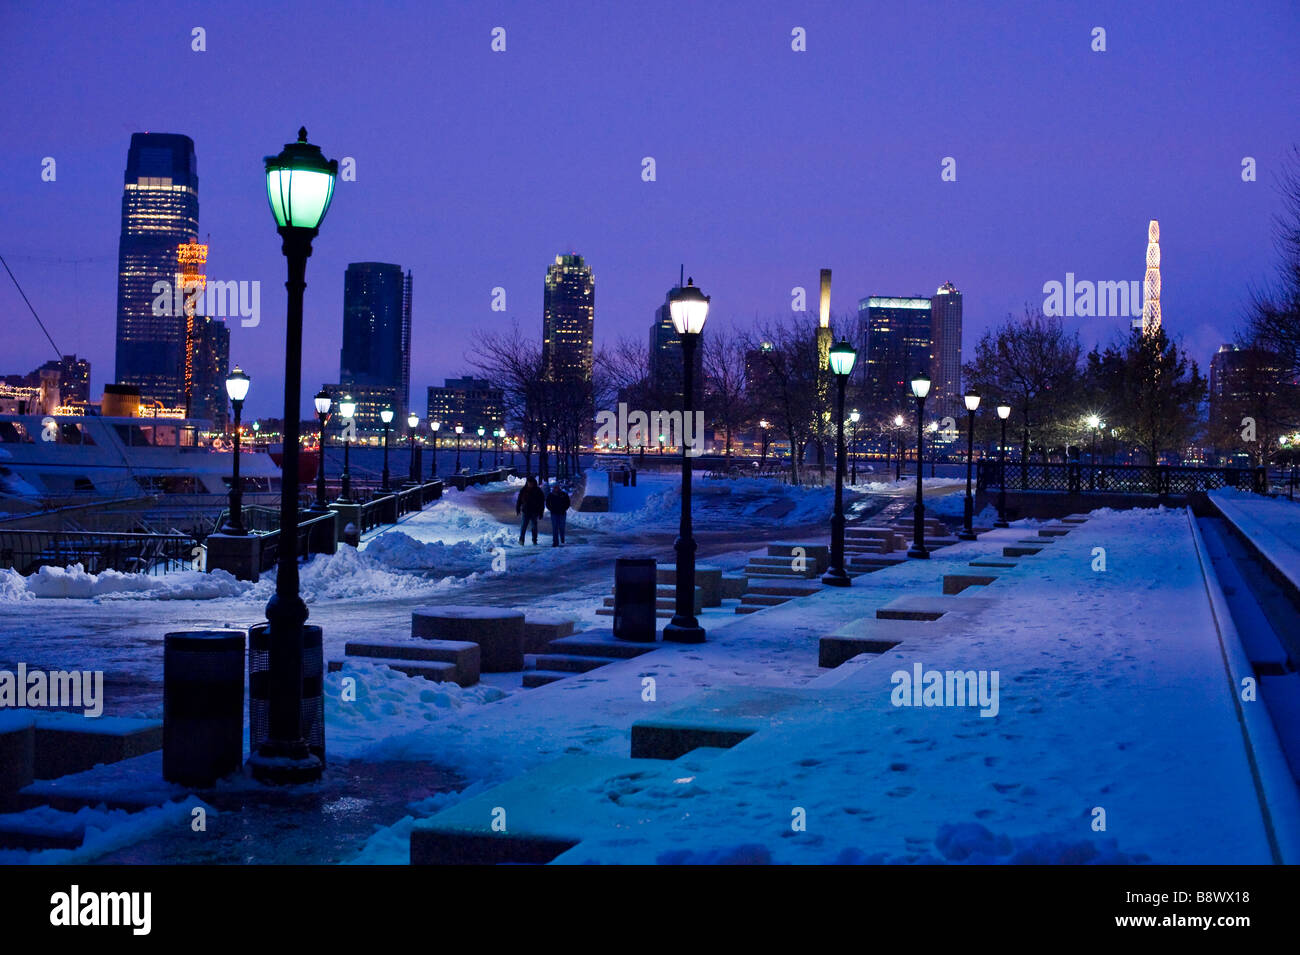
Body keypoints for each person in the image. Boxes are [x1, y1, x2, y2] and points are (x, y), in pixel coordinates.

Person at [516, 476, 545, 545]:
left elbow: (541, 502)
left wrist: (541, 512)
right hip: (525, 511)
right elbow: (519, 500)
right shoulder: (523, 490)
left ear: (533, 483)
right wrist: (518, 508)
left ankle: (534, 540)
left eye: (531, 483)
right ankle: (521, 540)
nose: (530, 484)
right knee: (523, 526)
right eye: (528, 483)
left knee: (534, 527)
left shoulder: (538, 491)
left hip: (534, 512)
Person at [545, 483, 571, 547]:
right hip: (554, 513)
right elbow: (547, 503)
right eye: (555, 487)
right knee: (555, 528)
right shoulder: (550, 495)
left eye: (557, 487)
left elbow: (568, 502)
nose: (556, 488)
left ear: (559, 487)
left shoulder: (564, 494)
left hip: (562, 513)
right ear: (553, 488)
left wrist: (564, 508)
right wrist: (551, 509)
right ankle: (555, 542)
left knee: (562, 527)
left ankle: (562, 538)